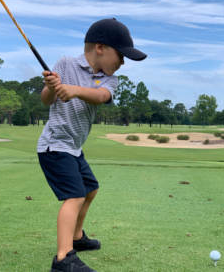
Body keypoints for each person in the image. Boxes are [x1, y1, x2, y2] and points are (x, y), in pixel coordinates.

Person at [37, 18, 147, 272]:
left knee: (90, 188)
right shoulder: (65, 64)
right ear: (100, 48)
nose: (122, 62)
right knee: (74, 196)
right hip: (55, 145)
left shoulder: (110, 80)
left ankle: (77, 237)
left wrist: (72, 90)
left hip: (74, 147)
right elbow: (46, 100)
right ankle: (64, 258)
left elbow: (100, 97)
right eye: (120, 55)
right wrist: (52, 86)